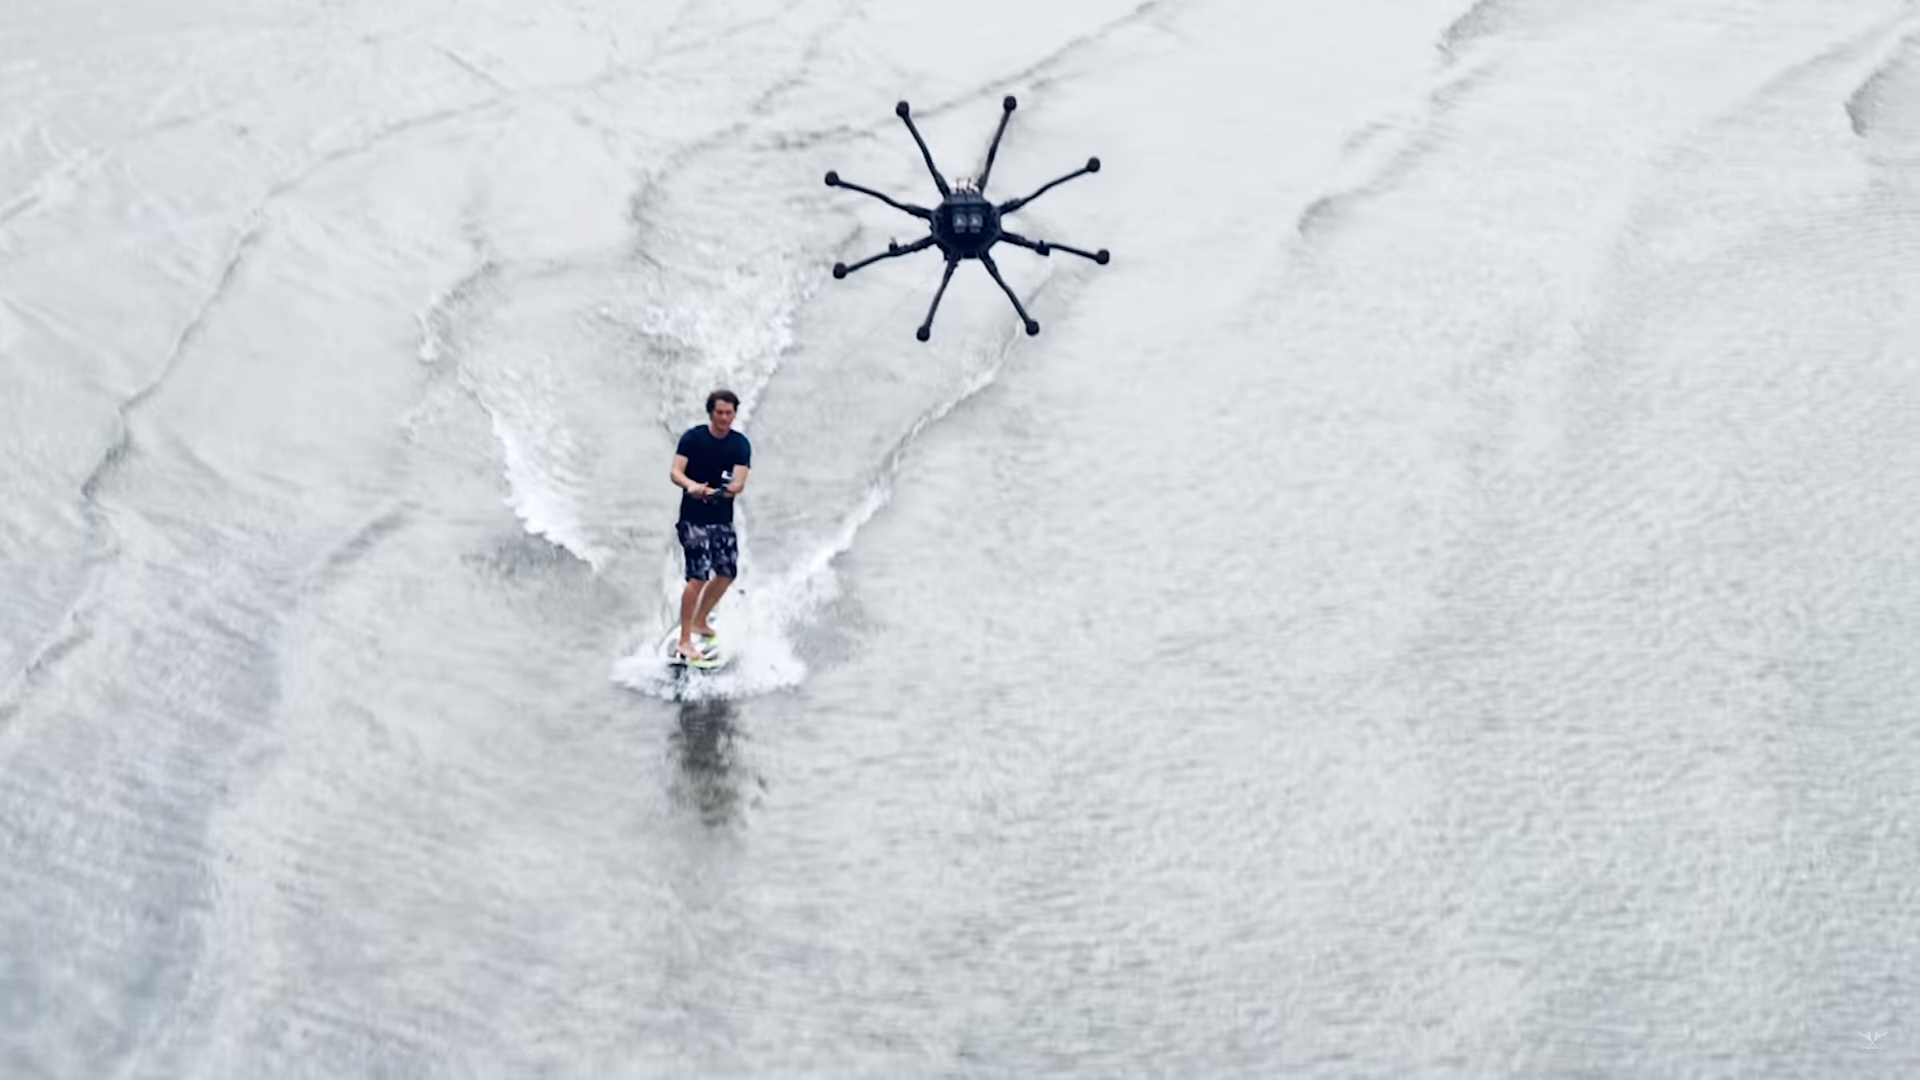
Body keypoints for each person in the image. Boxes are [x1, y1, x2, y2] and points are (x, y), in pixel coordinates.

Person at [669, 389, 752, 662]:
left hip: (721, 520)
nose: (724, 418)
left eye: (729, 413)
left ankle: (700, 621)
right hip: (693, 520)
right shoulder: (693, 439)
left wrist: (718, 492)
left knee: (727, 573)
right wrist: (693, 486)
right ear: (711, 413)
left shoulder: (740, 444)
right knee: (699, 576)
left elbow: (739, 482)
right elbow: (675, 472)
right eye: (720, 413)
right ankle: (684, 641)